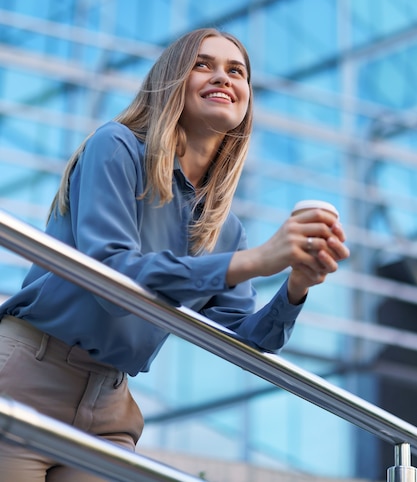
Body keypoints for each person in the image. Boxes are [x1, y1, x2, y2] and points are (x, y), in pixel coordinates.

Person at [0, 27, 349, 480]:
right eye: (203, 64)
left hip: (109, 405)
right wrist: (257, 261)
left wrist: (296, 286)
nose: (222, 77)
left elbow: (247, 340)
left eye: (236, 71)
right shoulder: (117, 145)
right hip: (30, 374)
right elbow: (110, 276)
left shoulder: (225, 230)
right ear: (171, 81)